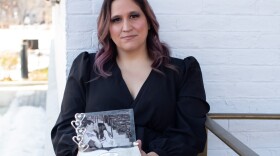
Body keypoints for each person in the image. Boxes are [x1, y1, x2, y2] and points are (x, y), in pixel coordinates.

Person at [51, 0, 210, 155]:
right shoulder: (85, 68)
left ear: (148, 22)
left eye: (134, 16)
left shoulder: (183, 72)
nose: (126, 27)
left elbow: (191, 132)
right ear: (108, 27)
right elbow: (64, 131)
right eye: (116, 19)